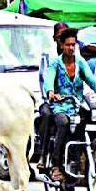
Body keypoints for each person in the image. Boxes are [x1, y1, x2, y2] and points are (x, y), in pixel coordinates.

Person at [43, 28, 96, 182]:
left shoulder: (80, 62)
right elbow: (49, 79)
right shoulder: (55, 63)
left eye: (73, 45)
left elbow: (91, 79)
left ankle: (81, 157)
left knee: (91, 120)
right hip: (59, 105)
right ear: (62, 45)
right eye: (68, 45)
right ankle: (56, 165)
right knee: (63, 123)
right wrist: (51, 92)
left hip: (76, 104)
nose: (71, 48)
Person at [37, 22, 69, 170]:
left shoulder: (75, 54)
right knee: (46, 115)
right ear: (55, 38)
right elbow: (44, 76)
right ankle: (43, 154)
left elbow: (84, 75)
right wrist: (50, 93)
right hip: (51, 99)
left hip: (69, 100)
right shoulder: (48, 54)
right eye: (59, 36)